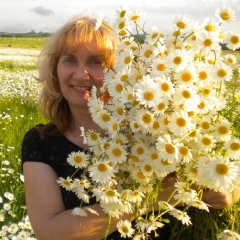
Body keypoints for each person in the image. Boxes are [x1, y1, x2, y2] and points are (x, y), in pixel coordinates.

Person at [21, 15, 240, 240]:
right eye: (69, 60)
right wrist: (158, 197)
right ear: (55, 68)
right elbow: (49, 233)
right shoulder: (41, 141)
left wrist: (228, 189)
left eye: (95, 62)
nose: (80, 74)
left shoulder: (152, 126)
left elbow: (217, 174)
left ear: (119, 72)